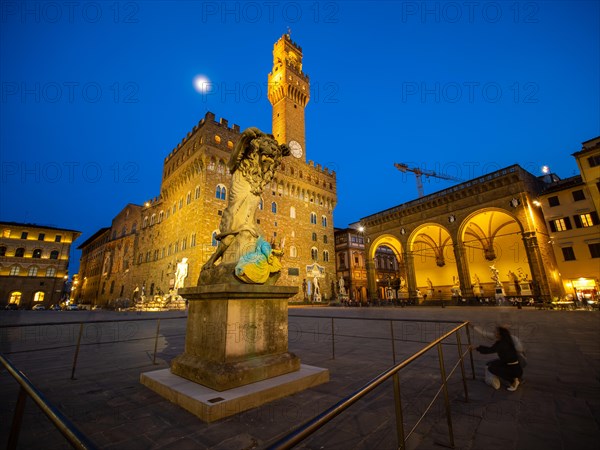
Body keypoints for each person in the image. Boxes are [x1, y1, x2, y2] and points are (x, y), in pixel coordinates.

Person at [475, 325, 523, 391]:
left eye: (496, 332)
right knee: (491, 363)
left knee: (491, 368)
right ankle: (514, 378)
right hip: (514, 366)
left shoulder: (501, 344)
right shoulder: (506, 340)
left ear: (500, 334)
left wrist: (476, 348)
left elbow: (489, 350)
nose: (494, 333)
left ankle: (513, 382)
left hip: (513, 370)